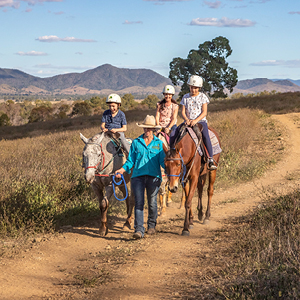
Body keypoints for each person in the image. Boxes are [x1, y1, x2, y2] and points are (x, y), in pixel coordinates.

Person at [115, 115, 165, 239]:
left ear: (153, 129)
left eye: (149, 128)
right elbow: (130, 160)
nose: (147, 130)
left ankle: (151, 225)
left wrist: (171, 169)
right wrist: (121, 170)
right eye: (145, 128)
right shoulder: (136, 143)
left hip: (154, 177)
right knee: (139, 202)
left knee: (152, 203)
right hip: (137, 177)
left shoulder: (159, 144)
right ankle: (139, 229)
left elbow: (163, 162)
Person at [180, 75, 217, 170]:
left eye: (195, 88)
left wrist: (195, 121)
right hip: (187, 122)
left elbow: (204, 112)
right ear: (189, 87)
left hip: (200, 121)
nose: (193, 89)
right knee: (175, 133)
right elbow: (183, 111)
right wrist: (187, 119)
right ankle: (173, 156)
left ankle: (210, 159)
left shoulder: (203, 97)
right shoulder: (185, 97)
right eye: (192, 87)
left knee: (205, 136)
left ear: (199, 88)